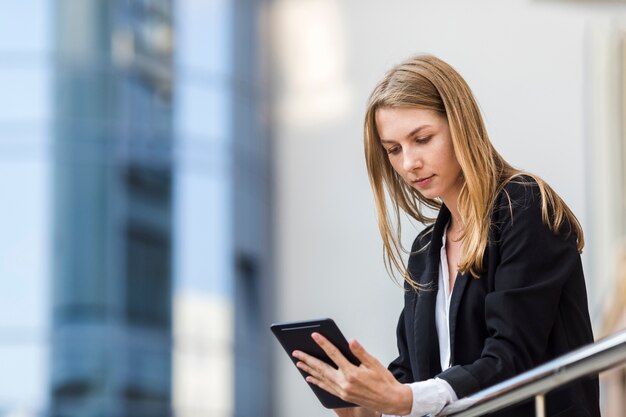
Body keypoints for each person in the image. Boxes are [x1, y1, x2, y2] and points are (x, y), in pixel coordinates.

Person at [291, 54, 600, 417]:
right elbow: (416, 374)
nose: (409, 163)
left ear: (460, 124)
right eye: (393, 149)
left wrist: (404, 399)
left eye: (421, 139)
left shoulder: (525, 207)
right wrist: (365, 406)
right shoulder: (426, 251)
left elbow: (512, 356)